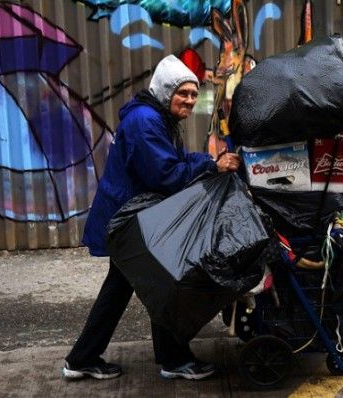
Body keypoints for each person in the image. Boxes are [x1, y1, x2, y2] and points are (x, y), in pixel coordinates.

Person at [62, 54, 241, 381]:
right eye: (182, 94)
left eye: (192, 94)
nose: (189, 101)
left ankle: (82, 358)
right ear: (164, 91)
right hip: (132, 222)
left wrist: (209, 159)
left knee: (127, 288)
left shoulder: (156, 117)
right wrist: (211, 166)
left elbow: (175, 159)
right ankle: (173, 359)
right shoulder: (146, 122)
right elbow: (166, 175)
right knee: (165, 284)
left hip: (135, 220)